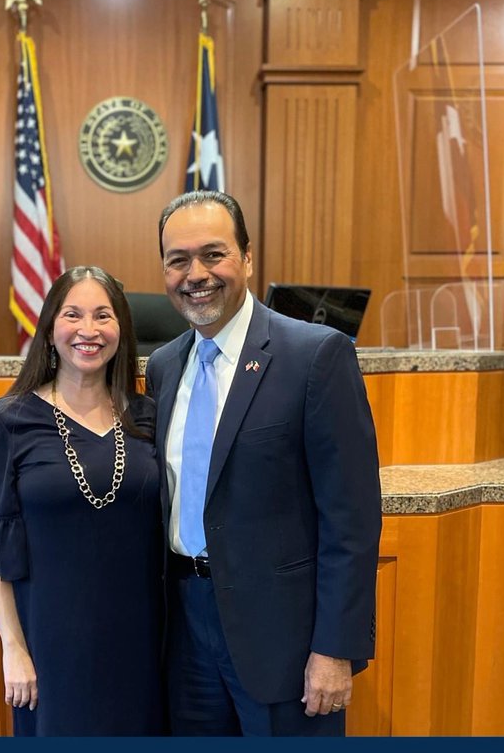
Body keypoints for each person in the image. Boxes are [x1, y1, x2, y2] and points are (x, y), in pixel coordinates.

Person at [146, 190, 381, 736]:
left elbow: (352, 520)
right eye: (177, 259)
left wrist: (335, 649)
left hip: (286, 643)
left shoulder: (315, 355)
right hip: (185, 632)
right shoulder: (163, 366)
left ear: (247, 259)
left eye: (213, 254)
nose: (195, 273)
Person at [0, 266, 165, 736]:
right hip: (50, 642)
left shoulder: (150, 415)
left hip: (142, 640)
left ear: (122, 329)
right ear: (50, 328)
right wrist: (12, 647)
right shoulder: (8, 420)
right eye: (73, 314)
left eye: (103, 315)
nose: (89, 330)